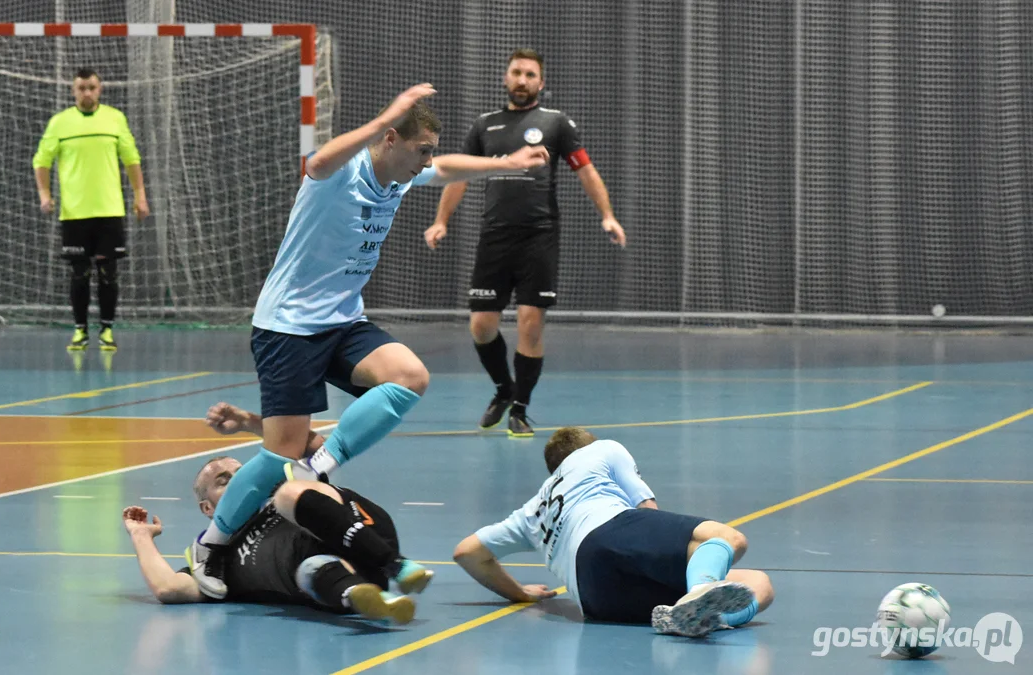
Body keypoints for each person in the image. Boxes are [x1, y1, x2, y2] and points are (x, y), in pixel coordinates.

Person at [188, 84, 551, 599]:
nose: (425, 160)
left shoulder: (398, 178)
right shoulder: (339, 178)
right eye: (419, 149)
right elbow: (316, 160)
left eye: (427, 150)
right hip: (288, 326)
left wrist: (508, 164)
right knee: (276, 455)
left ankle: (320, 466)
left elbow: (446, 168)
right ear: (388, 139)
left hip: (341, 322)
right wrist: (388, 109)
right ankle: (211, 547)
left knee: (409, 376)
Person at [424, 49, 626, 437]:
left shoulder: (556, 124)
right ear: (505, 77)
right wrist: (440, 222)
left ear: (541, 82)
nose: (522, 79)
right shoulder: (485, 125)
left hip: (539, 236)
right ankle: (503, 389)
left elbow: (585, 170)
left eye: (530, 74)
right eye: (516, 72)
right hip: (495, 235)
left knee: (531, 323)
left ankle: (520, 408)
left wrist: (608, 215)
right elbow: (459, 176)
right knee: (481, 326)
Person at [453, 427, 774, 637]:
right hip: (609, 529)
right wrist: (675, 554)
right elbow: (648, 510)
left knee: (758, 583)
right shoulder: (601, 450)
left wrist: (521, 593)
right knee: (725, 539)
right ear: (584, 448)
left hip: (595, 599)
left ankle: (697, 616)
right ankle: (699, 591)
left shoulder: (531, 511)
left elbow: (467, 553)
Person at [122, 455, 431, 624]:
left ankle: (396, 565)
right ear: (208, 508)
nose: (240, 483)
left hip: (364, 534)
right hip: (330, 584)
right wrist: (140, 534)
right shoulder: (214, 562)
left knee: (293, 490)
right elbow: (168, 588)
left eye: (243, 475)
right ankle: (376, 600)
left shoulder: (276, 493)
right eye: (224, 481)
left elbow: (306, 448)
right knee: (312, 567)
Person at [33, 67, 149, 352]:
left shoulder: (114, 119)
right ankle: (80, 331)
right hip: (74, 213)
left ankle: (107, 330)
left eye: (92, 87)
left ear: (100, 89)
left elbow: (131, 159)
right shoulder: (60, 123)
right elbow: (41, 161)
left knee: (108, 273)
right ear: (74, 91)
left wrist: (140, 195)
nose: (87, 92)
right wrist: (45, 194)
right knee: (79, 273)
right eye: (81, 88)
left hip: (109, 210)